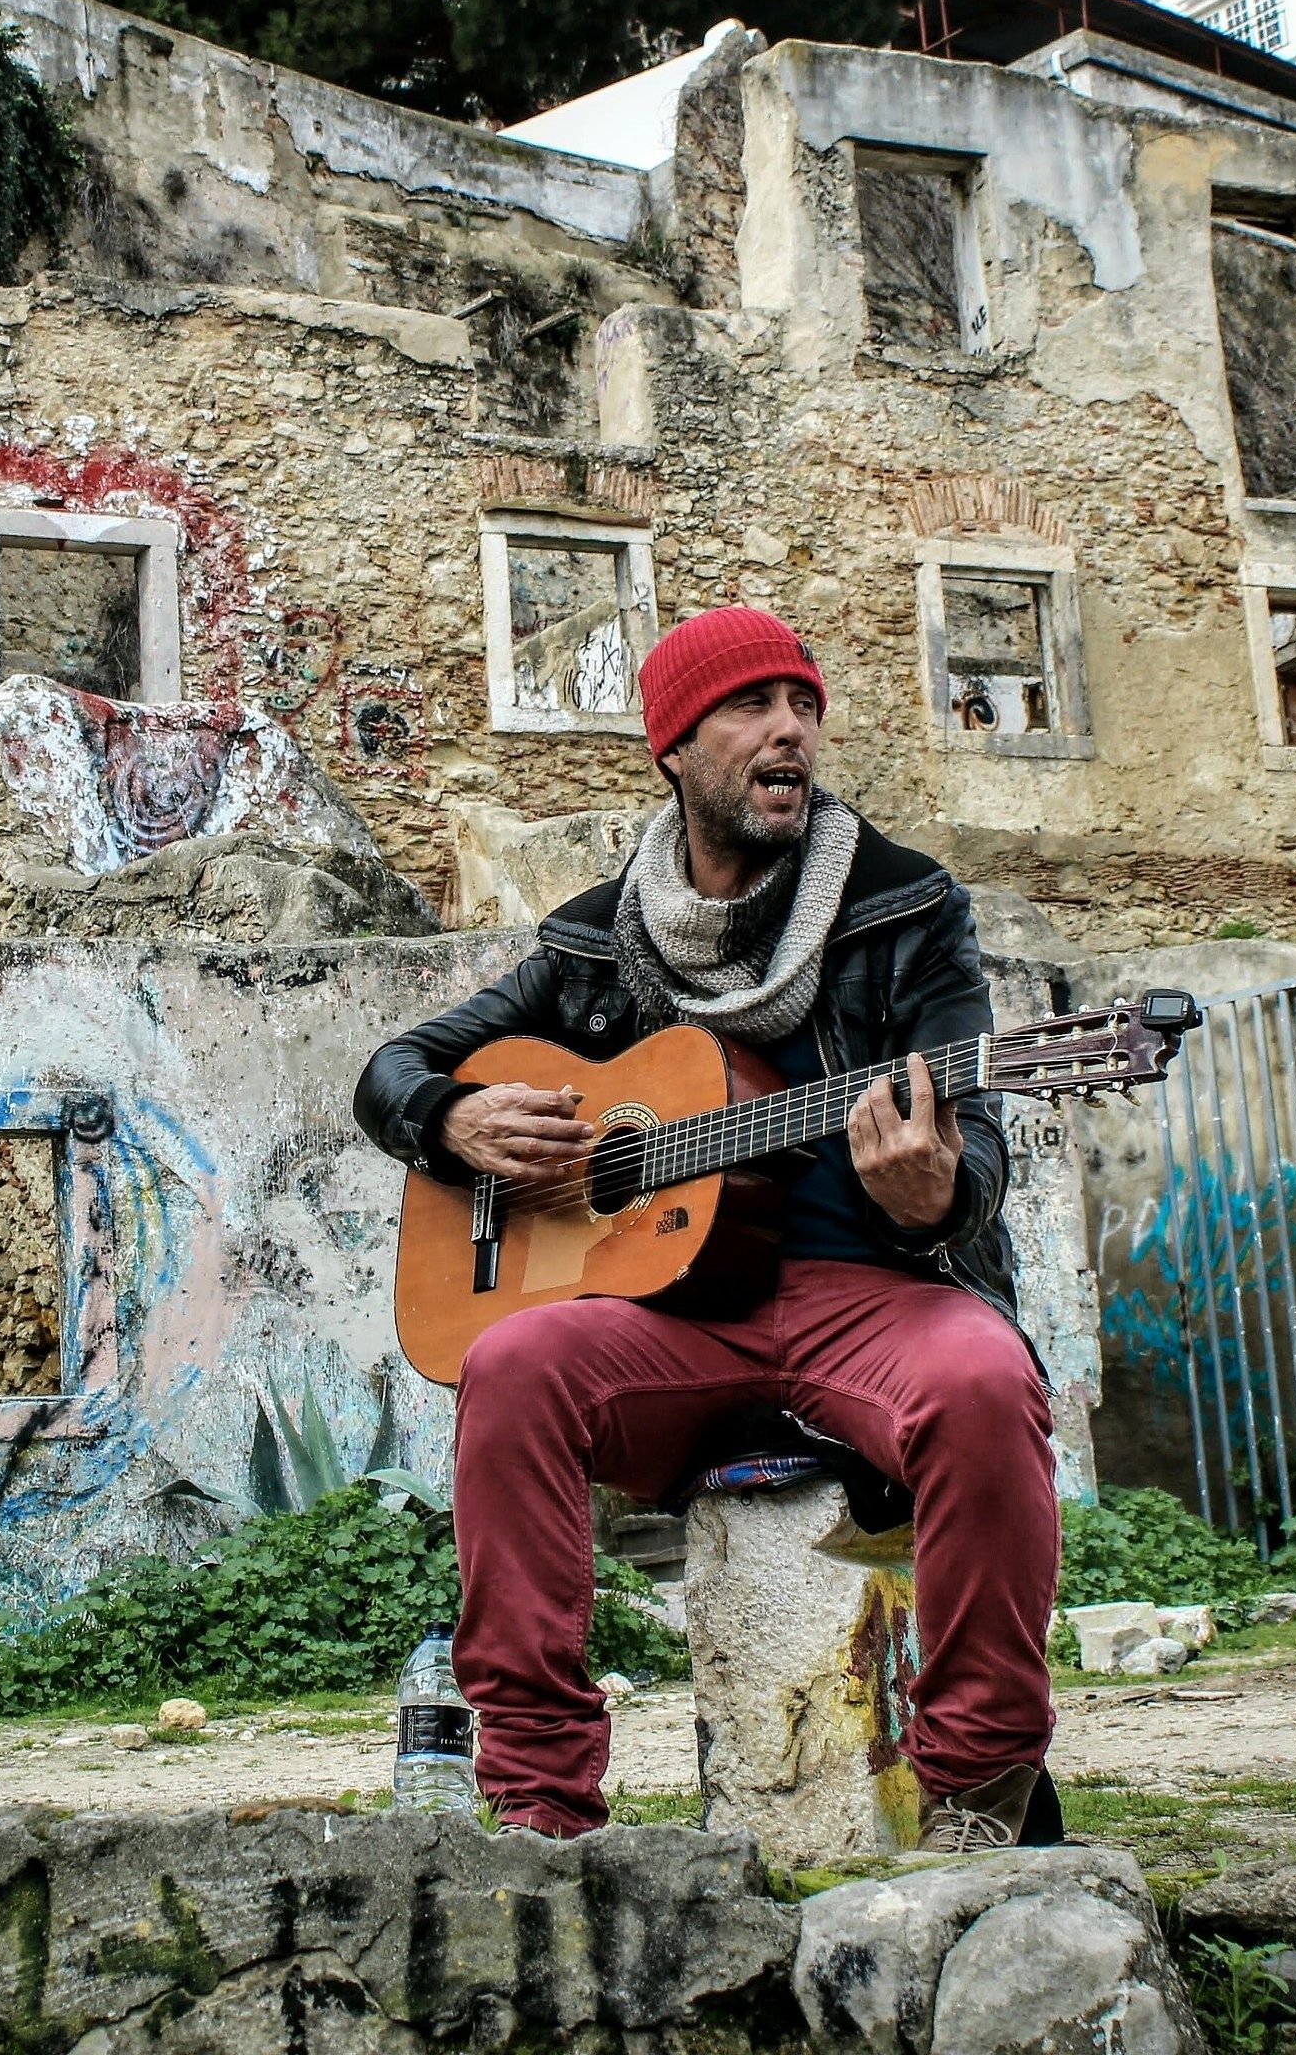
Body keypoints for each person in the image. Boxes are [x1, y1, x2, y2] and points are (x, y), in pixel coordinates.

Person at [353, 604, 1057, 1851]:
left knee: (984, 1379)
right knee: (512, 1365)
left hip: (868, 1296)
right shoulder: (589, 939)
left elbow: (977, 1139)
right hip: (668, 1322)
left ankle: (976, 1794)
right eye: (750, 707)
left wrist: (935, 1195)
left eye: (804, 707)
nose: (789, 730)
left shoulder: (903, 909)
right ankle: (539, 1805)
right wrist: (447, 1119)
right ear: (672, 748)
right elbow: (397, 1066)